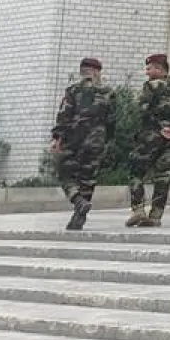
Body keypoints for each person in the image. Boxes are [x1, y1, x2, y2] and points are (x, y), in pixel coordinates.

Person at [126, 53, 170, 227]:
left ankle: (138, 210)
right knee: (163, 177)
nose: (147, 72)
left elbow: (142, 111)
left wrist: (160, 129)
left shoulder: (150, 86)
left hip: (150, 137)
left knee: (136, 172)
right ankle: (156, 215)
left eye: (149, 68)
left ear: (158, 68)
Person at [50, 57, 115, 231]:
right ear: (97, 72)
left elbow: (64, 115)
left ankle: (77, 200)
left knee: (64, 170)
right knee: (88, 178)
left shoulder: (74, 90)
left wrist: (57, 137)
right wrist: (107, 141)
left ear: (82, 71)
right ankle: (80, 216)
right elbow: (112, 120)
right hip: (97, 140)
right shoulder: (108, 92)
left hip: (74, 138)